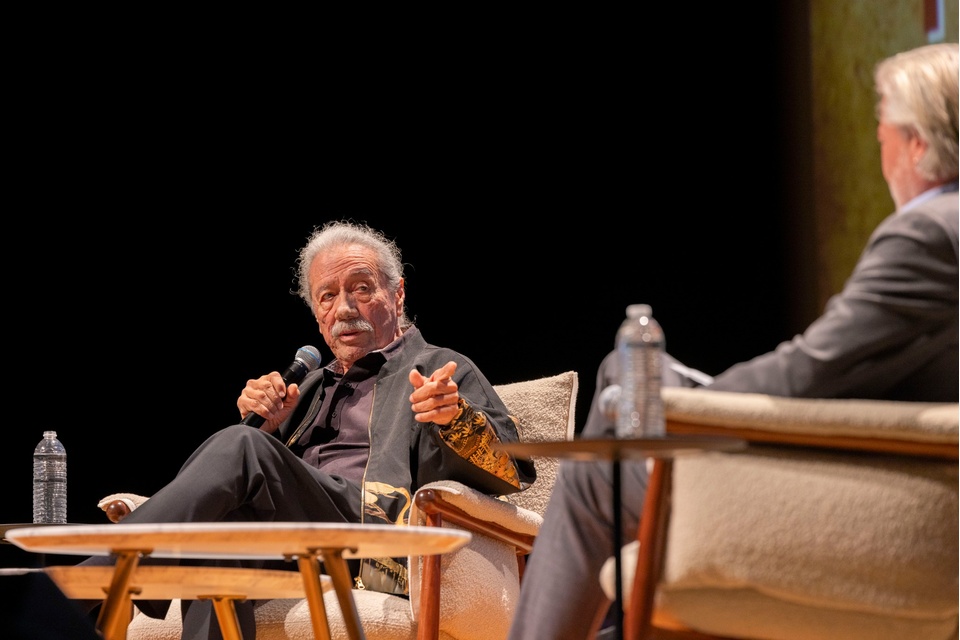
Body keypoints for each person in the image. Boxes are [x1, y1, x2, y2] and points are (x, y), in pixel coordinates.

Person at [507, 41, 959, 640]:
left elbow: (809, 372)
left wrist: (694, 406)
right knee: (627, 375)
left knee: (600, 467)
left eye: (883, 136)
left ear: (917, 144)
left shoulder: (927, 234)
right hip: (885, 465)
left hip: (864, 501)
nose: (881, 154)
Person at [82, 220, 536, 640]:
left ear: (398, 294)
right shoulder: (309, 386)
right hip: (294, 545)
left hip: (378, 542)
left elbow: (515, 468)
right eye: (327, 296)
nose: (345, 308)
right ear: (316, 313)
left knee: (243, 445)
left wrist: (454, 417)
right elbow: (268, 483)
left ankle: (91, 580)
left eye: (362, 288)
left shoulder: (437, 367)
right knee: (221, 532)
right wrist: (268, 429)